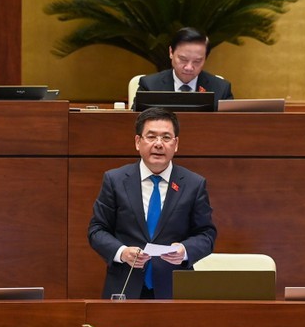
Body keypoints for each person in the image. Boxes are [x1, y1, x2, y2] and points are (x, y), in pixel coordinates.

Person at [88, 107, 217, 299]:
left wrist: (185, 250)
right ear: (138, 142)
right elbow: (97, 230)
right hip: (125, 286)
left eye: (166, 138)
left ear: (176, 144)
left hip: (174, 288)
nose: (158, 144)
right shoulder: (115, 180)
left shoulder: (193, 184)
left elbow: (206, 234)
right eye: (151, 137)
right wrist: (122, 252)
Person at [132, 27, 233, 109]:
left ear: (205, 58)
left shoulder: (221, 89)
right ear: (171, 52)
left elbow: (231, 126)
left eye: (197, 61)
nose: (189, 67)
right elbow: (134, 122)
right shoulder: (149, 86)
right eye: (183, 59)